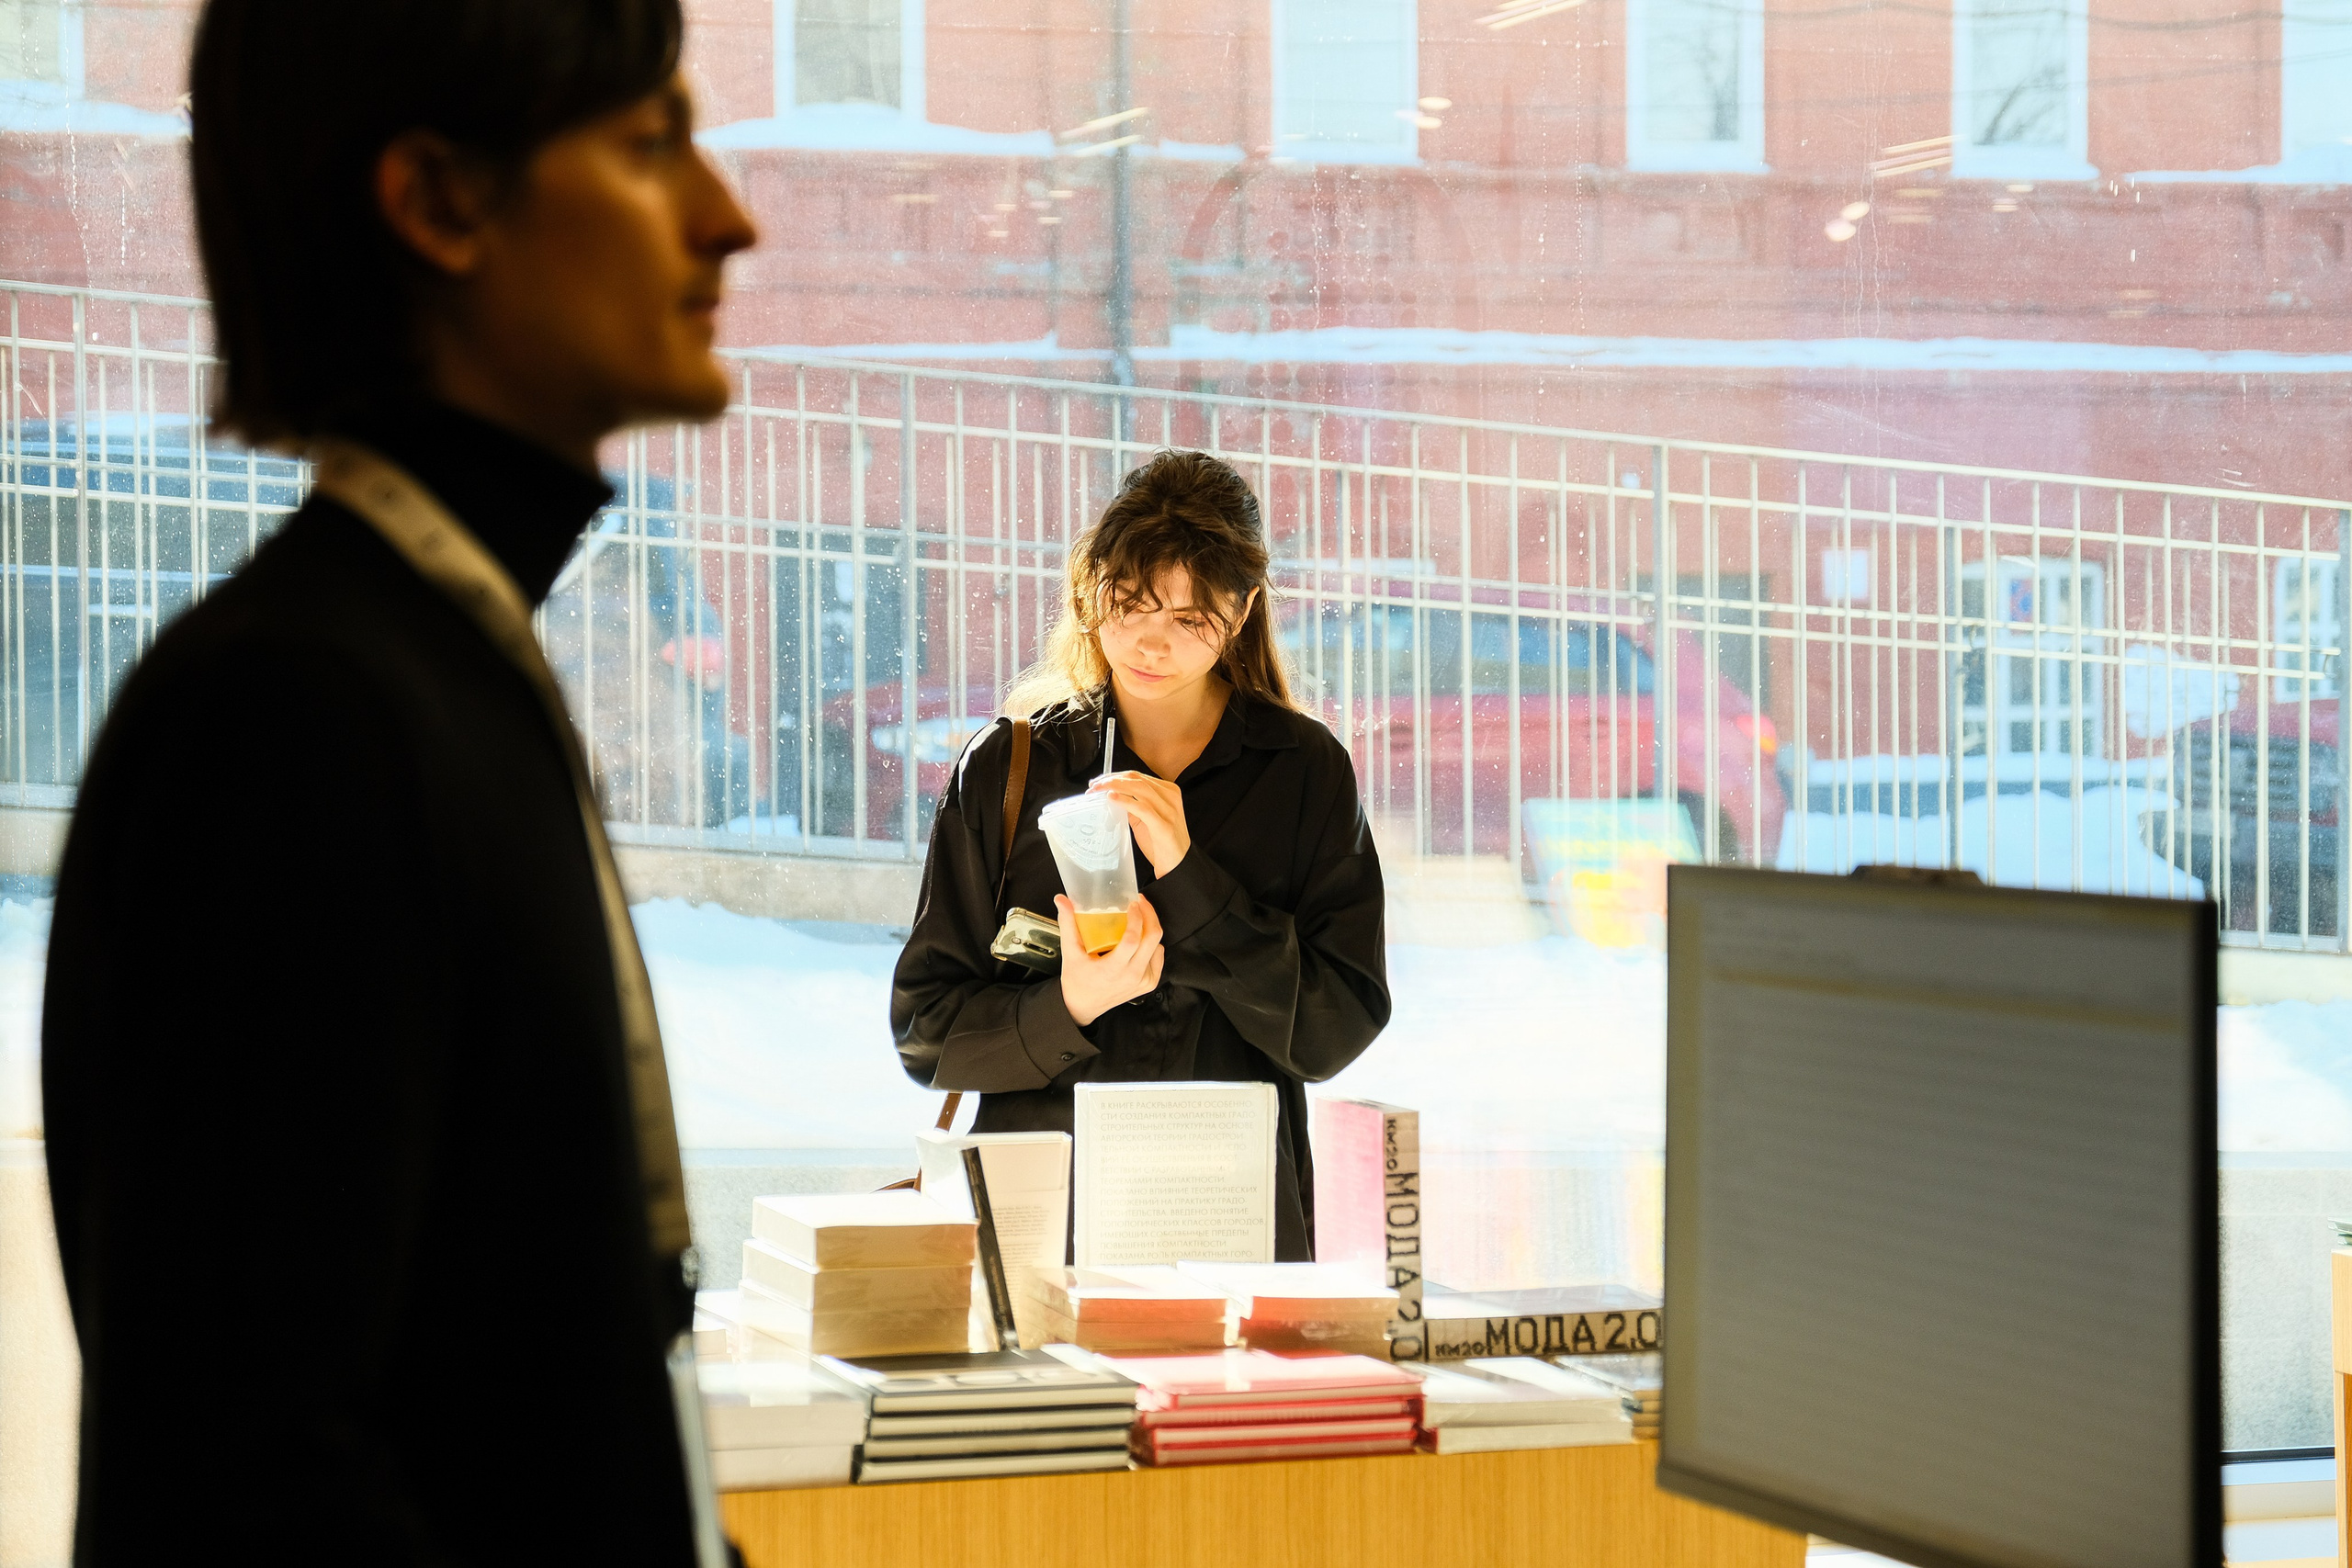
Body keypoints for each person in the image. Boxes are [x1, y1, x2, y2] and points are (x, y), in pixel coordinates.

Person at [40, 3, 756, 1563]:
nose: (729, 217)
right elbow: (244, 1470)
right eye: (649, 146)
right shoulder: (297, 712)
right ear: (438, 201)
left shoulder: (440, 655)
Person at [892, 450, 1392, 1260]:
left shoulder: (1303, 772)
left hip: (1229, 1225)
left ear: (1245, 611)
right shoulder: (1007, 768)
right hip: (1041, 1229)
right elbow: (925, 1032)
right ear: (1092, 586)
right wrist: (1070, 1004)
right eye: (1129, 604)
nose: (1152, 642)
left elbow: (1334, 1032)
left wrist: (1193, 877)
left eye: (1190, 619)